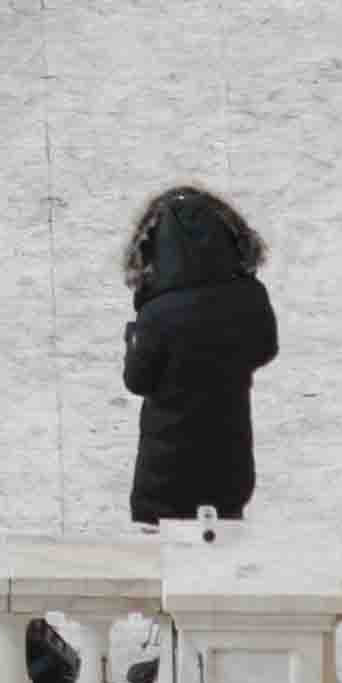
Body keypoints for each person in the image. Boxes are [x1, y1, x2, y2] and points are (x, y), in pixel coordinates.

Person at [122, 184, 278, 522]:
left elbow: (137, 380)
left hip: (164, 478)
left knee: (165, 561)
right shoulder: (249, 297)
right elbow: (266, 348)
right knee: (221, 559)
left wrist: (134, 336)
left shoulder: (157, 313)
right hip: (228, 471)